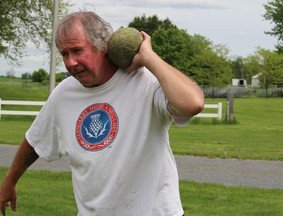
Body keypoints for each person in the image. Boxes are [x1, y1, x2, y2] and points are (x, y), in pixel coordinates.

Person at [0, 11, 204, 216]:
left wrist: (149, 57)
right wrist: (9, 182)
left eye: (77, 51)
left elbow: (193, 103)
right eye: (64, 54)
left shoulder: (144, 81)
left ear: (103, 47)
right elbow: (35, 141)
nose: (70, 62)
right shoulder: (63, 94)